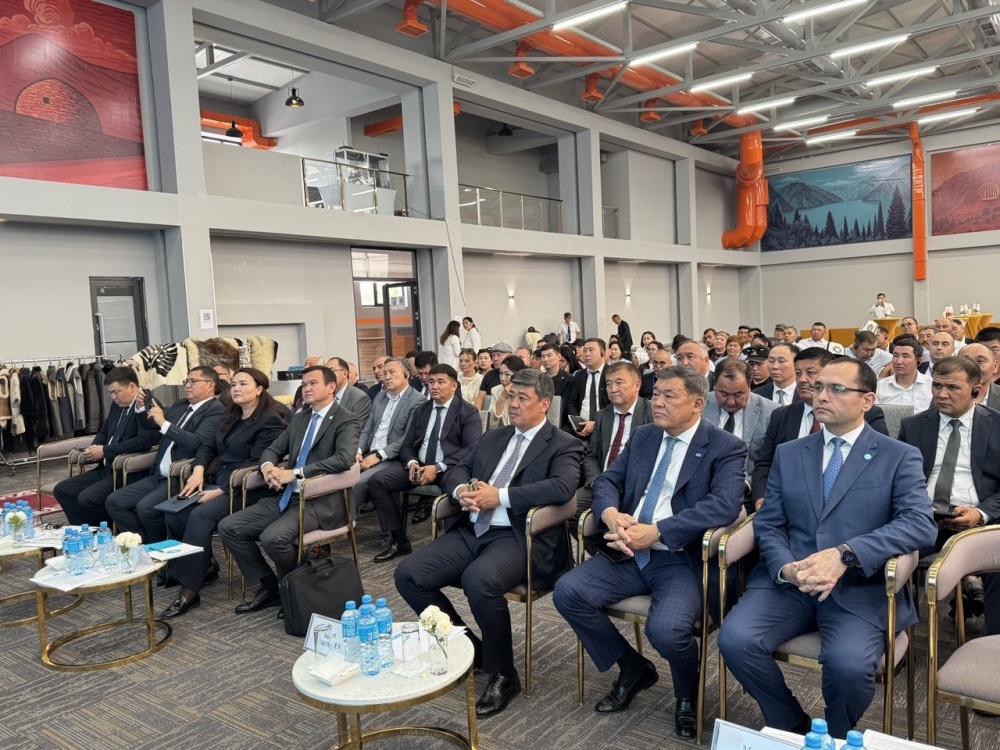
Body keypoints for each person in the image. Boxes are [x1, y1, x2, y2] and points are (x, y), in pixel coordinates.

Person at [717, 358, 936, 739]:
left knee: (848, 666)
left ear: (867, 400)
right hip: (791, 582)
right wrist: (786, 568)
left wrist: (846, 554)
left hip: (859, 586)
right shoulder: (791, 452)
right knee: (735, 640)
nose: (820, 395)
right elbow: (770, 522)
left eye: (836, 389)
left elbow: (920, 524)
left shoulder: (898, 455)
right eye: (818, 387)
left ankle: (835, 737)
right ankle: (792, 724)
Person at [554, 366, 746, 738]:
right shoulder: (644, 436)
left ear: (697, 403)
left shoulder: (724, 446)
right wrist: (610, 514)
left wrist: (658, 531)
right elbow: (608, 480)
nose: (657, 402)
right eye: (655, 394)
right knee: (568, 592)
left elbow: (724, 506)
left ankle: (686, 694)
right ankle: (632, 667)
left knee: (667, 630)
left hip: (679, 556)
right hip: (628, 551)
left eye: (668, 396)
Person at [394, 369, 583, 718]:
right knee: (408, 574)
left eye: (523, 398)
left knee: (478, 580)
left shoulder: (562, 443)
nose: (513, 404)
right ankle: (470, 647)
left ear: (544, 404)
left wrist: (501, 496)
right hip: (472, 529)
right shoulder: (495, 436)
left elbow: (562, 488)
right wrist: (460, 491)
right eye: (511, 396)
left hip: (520, 536)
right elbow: (458, 468)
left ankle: (503, 673)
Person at [218, 365, 361, 613]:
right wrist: (268, 469)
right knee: (229, 527)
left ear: (331, 387)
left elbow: (344, 459)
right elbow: (272, 449)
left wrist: (295, 473)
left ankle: (294, 589)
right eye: (304, 384)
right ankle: (270, 586)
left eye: (313, 383)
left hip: (320, 500)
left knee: (273, 538)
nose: (306, 388)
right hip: (286, 495)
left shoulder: (345, 419)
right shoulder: (300, 418)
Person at [159, 368, 287, 618]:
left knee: (200, 515)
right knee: (175, 513)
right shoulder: (231, 413)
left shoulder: (269, 420)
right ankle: (203, 566)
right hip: (220, 482)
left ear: (259, 389)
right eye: (234, 384)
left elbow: (257, 464)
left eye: (243, 384)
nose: (236, 388)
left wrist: (218, 491)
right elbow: (208, 446)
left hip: (249, 489)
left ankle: (189, 591)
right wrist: (198, 470)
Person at [897, 356, 1000, 633]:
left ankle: (992, 646)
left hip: (983, 521)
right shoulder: (913, 426)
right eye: (937, 386)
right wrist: (921, 508)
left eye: (952, 387)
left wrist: (980, 513)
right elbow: (897, 480)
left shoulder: (997, 425)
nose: (941, 394)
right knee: (882, 553)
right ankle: (896, 637)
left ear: (976, 390)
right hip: (925, 518)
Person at [368, 364, 482, 562]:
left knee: (457, 488)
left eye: (440, 382)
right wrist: (412, 463)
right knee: (378, 481)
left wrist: (438, 467)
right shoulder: (423, 410)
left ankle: (454, 547)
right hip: (419, 466)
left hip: (450, 468)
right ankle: (399, 541)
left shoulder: (467, 412)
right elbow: (407, 444)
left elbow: (471, 448)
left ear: (454, 385)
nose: (434, 386)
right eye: (431, 382)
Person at [750, 348, 889, 511]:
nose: (803, 379)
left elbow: (880, 466)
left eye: (810, 373)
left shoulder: (863, 414)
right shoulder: (781, 415)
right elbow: (765, 463)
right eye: (798, 373)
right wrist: (761, 497)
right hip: (786, 505)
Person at [106, 367, 225, 543]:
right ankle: (142, 544)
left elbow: (197, 442)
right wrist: (141, 408)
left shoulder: (215, 410)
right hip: (158, 474)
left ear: (210, 385)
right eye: (186, 381)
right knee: (114, 502)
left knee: (146, 508)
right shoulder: (180, 405)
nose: (187, 385)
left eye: (193, 381)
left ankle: (161, 550)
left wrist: (163, 422)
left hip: (180, 477)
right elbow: (153, 428)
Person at [53, 367, 159, 527]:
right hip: (106, 467)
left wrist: (105, 451)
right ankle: (85, 531)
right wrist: (95, 446)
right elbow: (105, 430)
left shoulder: (148, 404)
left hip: (128, 471)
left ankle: (106, 533)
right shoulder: (118, 404)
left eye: (116, 392)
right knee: (62, 490)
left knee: (88, 499)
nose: (113, 397)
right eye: (110, 393)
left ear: (132, 387)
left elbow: (144, 442)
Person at [353, 358, 426, 521]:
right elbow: (368, 429)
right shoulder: (380, 397)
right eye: (385, 372)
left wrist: (379, 456)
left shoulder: (417, 400)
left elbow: (408, 438)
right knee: (338, 474)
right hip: (368, 453)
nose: (386, 376)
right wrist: (358, 450)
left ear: (406, 374)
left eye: (392, 372)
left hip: (393, 457)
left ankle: (342, 523)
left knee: (358, 481)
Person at [703, 359, 778, 487]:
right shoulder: (699, 406)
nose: (731, 401)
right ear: (714, 385)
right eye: (723, 394)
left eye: (738, 394)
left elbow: (773, 463)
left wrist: (747, 485)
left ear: (749, 386)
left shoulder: (771, 412)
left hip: (749, 488)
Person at [875, 337, 932, 413]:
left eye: (905, 356)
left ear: (919, 361)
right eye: (895, 355)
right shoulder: (880, 386)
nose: (899, 361)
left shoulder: (931, 385)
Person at [570, 338, 609, 439]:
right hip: (581, 426)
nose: (587, 354)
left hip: (604, 426)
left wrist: (596, 424)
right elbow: (572, 403)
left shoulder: (611, 374)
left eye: (591, 350)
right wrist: (576, 423)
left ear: (602, 353)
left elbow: (614, 406)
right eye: (584, 350)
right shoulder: (579, 376)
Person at [327, 357, 372, 425]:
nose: (327, 376)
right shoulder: (325, 396)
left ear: (345, 374)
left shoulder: (360, 398)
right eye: (325, 373)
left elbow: (356, 428)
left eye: (331, 371)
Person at [487, 356, 527, 429]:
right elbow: (491, 424)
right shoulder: (496, 390)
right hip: (504, 433)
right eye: (501, 373)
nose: (502, 378)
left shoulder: (527, 392)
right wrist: (502, 398)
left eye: (507, 374)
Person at [475, 343, 514, 410]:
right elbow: (480, 398)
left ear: (509, 356)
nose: (495, 359)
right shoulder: (489, 375)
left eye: (499, 355)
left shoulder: (517, 374)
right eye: (493, 355)